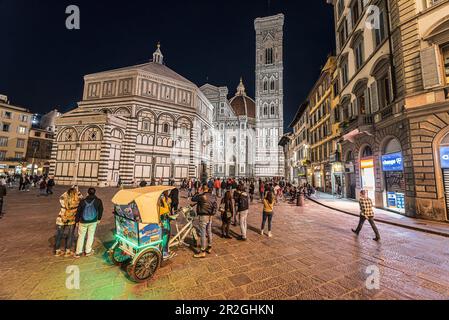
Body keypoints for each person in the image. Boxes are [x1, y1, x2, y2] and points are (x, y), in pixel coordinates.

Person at [74, 188, 104, 258]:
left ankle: (78, 252)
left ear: (87, 193)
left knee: (81, 236)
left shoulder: (82, 201)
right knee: (90, 236)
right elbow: (101, 210)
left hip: (83, 221)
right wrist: (99, 219)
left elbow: (78, 212)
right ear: (94, 193)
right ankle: (88, 251)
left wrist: (77, 221)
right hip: (93, 221)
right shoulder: (98, 201)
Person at [55, 187, 83, 257]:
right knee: (70, 235)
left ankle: (57, 251)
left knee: (59, 235)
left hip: (61, 218)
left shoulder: (63, 199)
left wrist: (68, 191)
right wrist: (78, 191)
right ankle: (67, 251)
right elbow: (82, 198)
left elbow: (61, 196)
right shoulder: (77, 200)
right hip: (72, 219)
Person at [191, 186, 217, 258]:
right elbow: (215, 206)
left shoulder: (201, 196)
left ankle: (202, 251)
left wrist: (197, 192)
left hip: (203, 216)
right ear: (208, 189)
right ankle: (209, 247)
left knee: (203, 233)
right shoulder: (213, 196)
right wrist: (212, 214)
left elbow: (193, 199)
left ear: (202, 189)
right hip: (210, 216)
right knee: (209, 231)